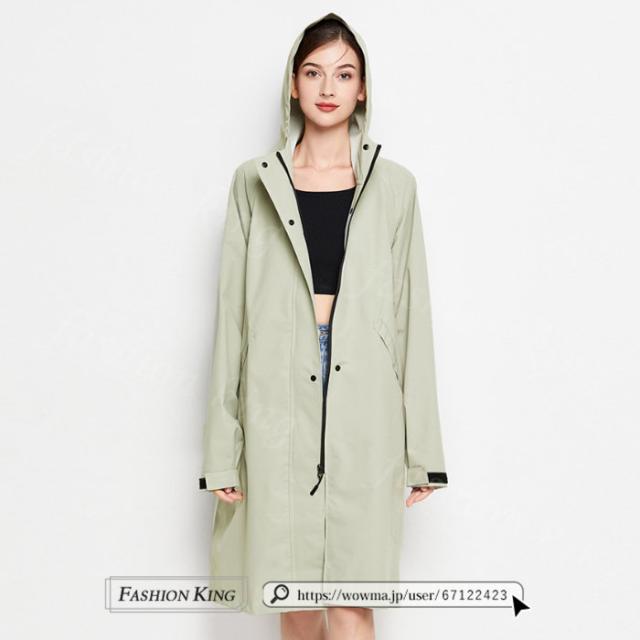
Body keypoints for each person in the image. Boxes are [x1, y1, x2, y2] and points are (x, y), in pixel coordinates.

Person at [199, 12, 449, 638]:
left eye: (344, 74)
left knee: (352, 599)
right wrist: (222, 453)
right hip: (277, 392)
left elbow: (412, 317)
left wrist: (424, 454)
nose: (328, 87)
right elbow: (231, 321)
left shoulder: (395, 188)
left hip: (366, 396)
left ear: (363, 89)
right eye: (313, 73)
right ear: (293, 85)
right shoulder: (254, 182)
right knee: (297, 597)